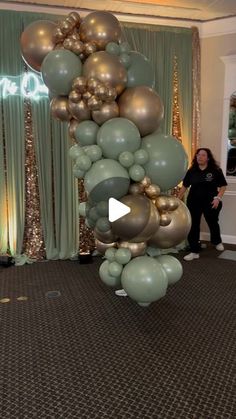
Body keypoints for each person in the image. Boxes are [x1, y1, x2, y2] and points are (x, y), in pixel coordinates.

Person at [178, 148, 227, 261]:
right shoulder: (192, 171)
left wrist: (218, 198)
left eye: (203, 155)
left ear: (208, 158)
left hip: (211, 202)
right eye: (198, 155)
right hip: (194, 201)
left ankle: (216, 241)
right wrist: (178, 199)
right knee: (193, 225)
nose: (199, 157)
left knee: (212, 222)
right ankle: (194, 251)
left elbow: (223, 186)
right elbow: (185, 186)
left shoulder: (215, 170)